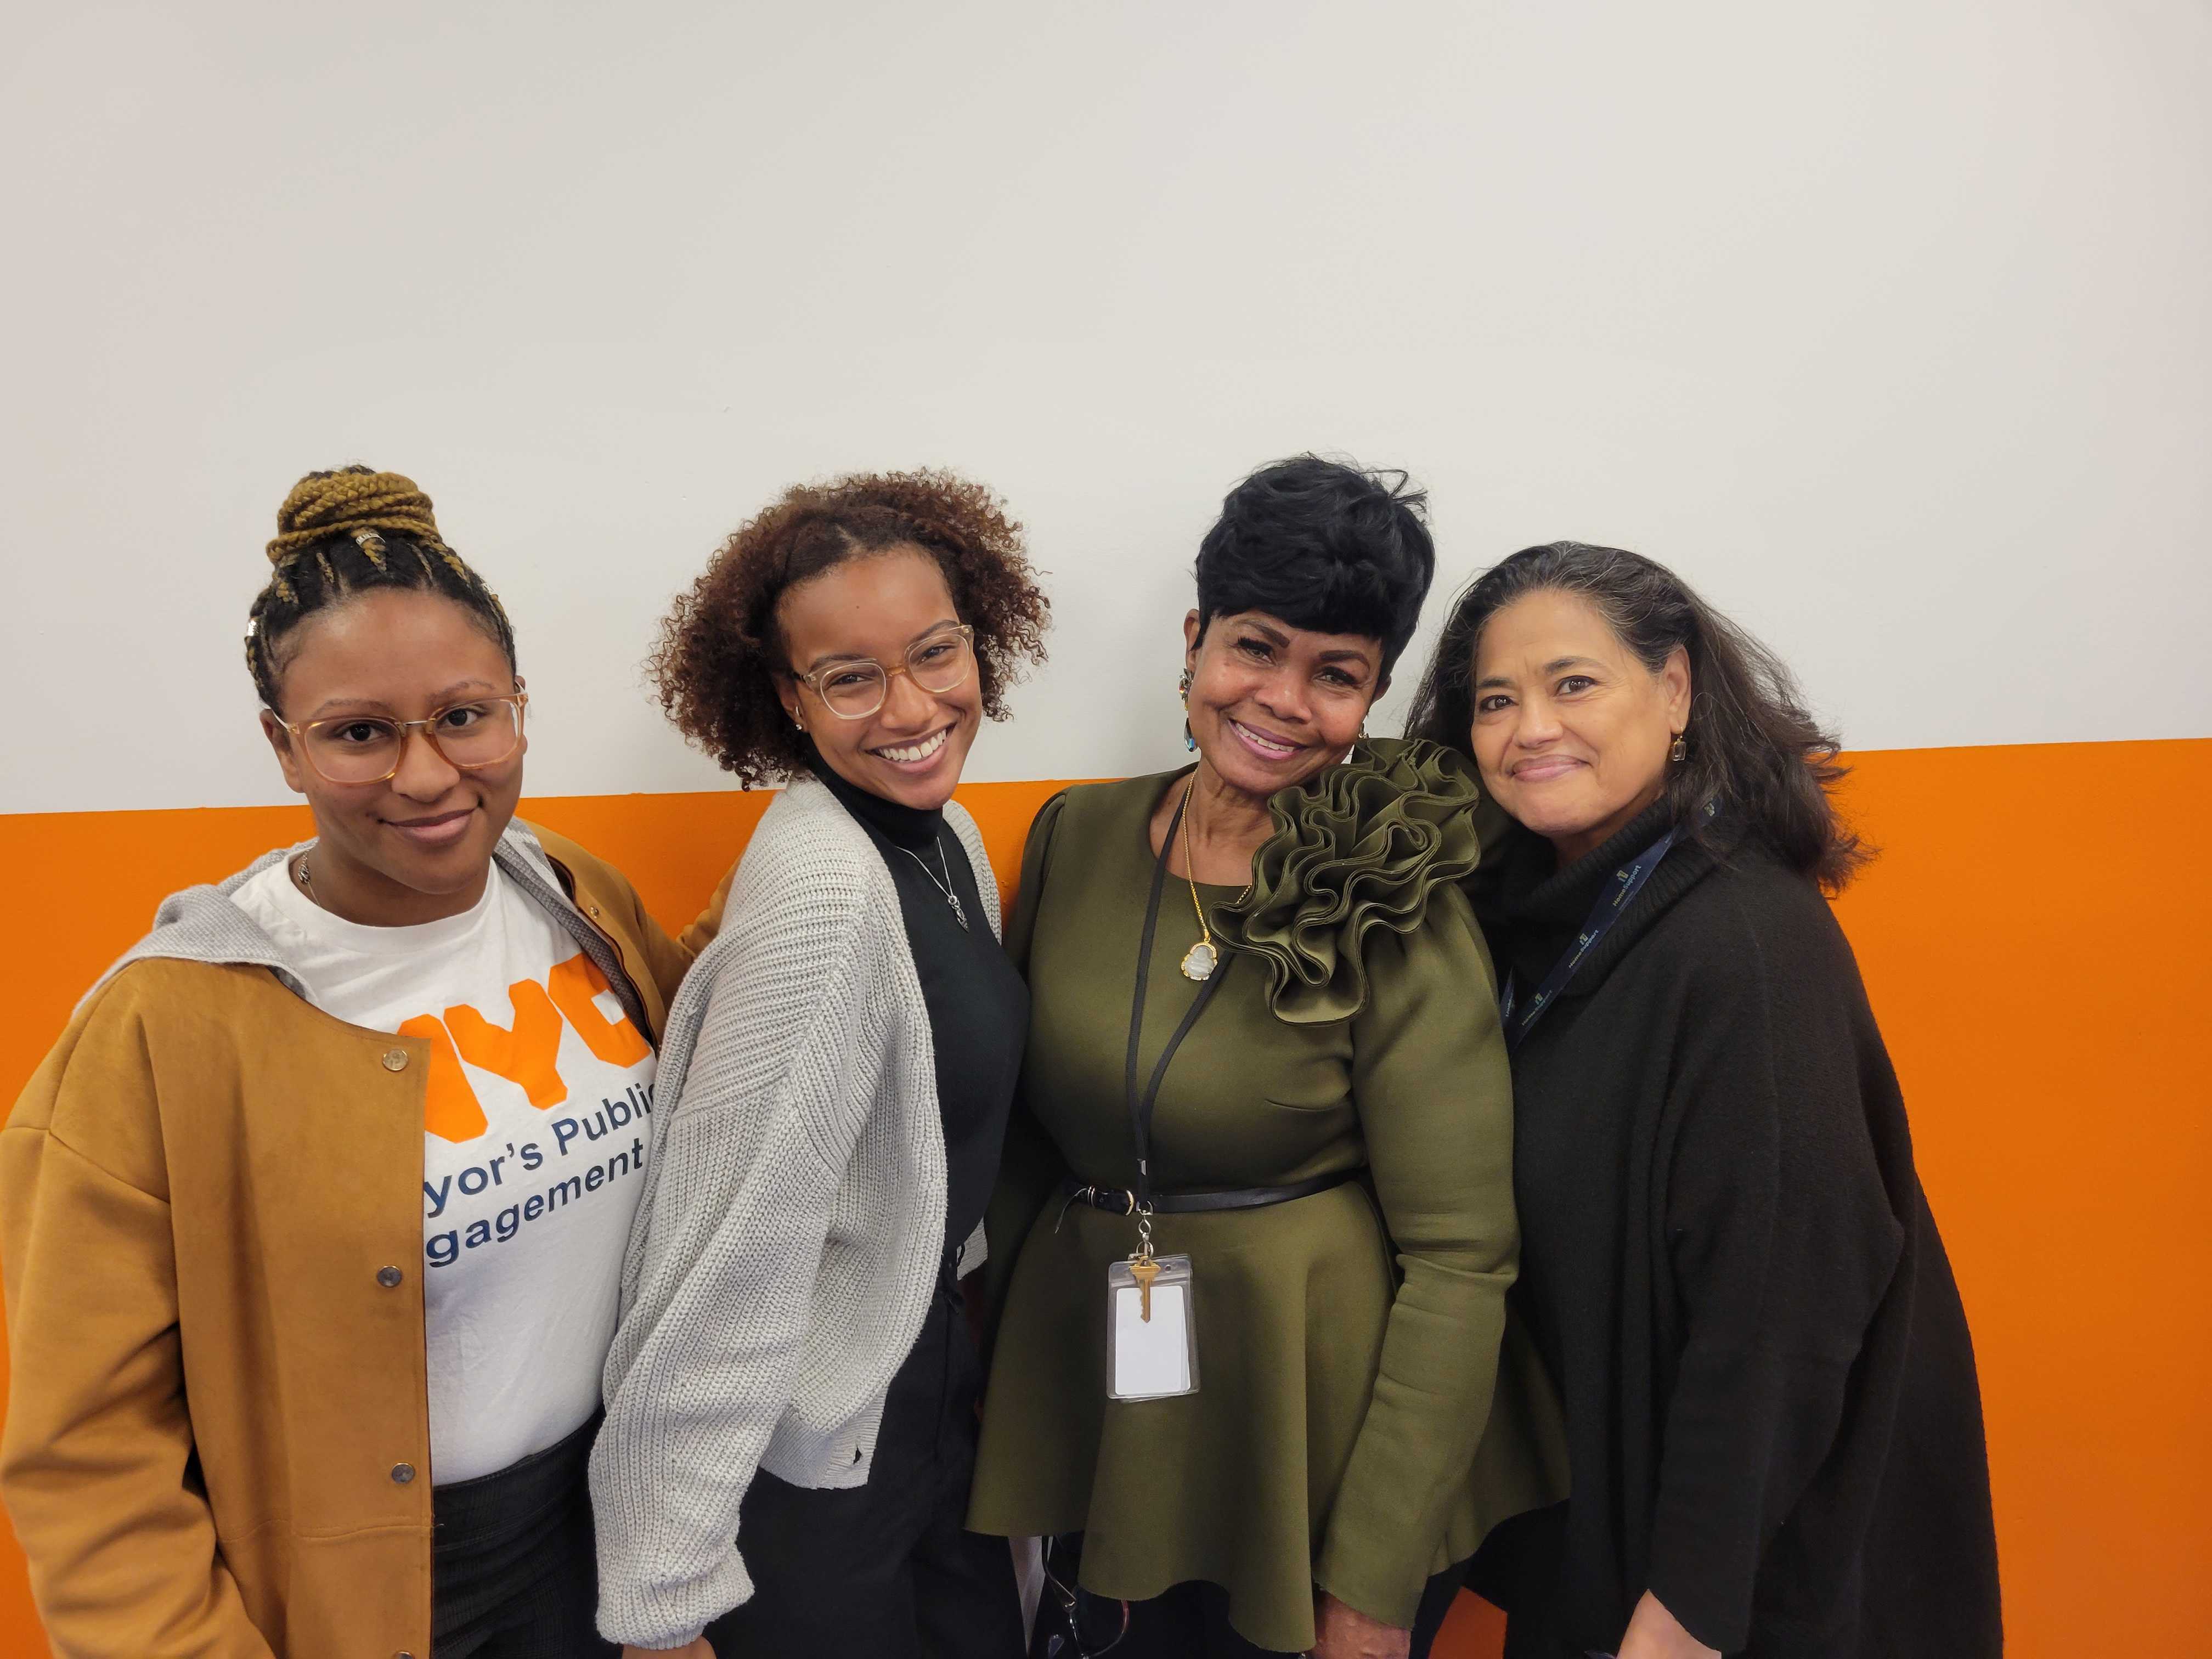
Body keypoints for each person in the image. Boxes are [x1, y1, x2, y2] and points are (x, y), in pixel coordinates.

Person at [0, 466, 692, 1659]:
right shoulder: (163, 1029)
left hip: (619, 1523)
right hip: (393, 1593)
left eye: (465, 716)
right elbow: (87, 1457)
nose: (426, 777)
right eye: (360, 734)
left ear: (519, 708)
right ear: (284, 746)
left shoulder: (573, 892)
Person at [967, 456, 1562, 1659]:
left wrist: (1373, 1588)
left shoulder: (1395, 900)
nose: (1285, 700)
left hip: (1316, 1440)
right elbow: (1024, 1142)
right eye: (1255, 646)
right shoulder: (1076, 833)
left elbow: (1463, 1264)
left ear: (1374, 694)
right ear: (1194, 642)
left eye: (1335, 675)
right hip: (1118, 1393)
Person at [1403, 541, 2002, 1658]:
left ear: (1674, 689)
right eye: (1497, 699)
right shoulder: (1546, 916)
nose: (1532, 727)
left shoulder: (1741, 941)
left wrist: (1682, 1620)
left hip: (1753, 1573)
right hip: (1631, 1532)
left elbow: (1780, 1319)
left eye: (1573, 683)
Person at [589, 470, 1051, 1659]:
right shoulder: (826, 898)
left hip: (928, 1391)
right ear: (790, 702)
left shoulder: (940, 835)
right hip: (821, 1457)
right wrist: (660, 1598)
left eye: (935, 653)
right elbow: (724, 1247)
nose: (909, 706)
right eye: (851, 677)